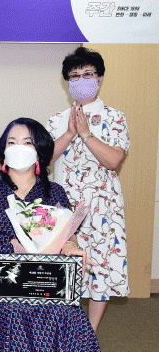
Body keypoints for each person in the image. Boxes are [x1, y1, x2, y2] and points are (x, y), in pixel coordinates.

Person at [0, 118, 100, 351]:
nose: (18, 147)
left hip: (44, 275)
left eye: (27, 142)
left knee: (65, 313)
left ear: (39, 151)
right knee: (13, 311)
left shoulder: (54, 192)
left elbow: (68, 233)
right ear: (3, 149)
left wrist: (69, 246)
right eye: (11, 142)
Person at [47, 47, 130, 333]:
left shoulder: (115, 117)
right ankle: (62, 332)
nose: (81, 80)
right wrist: (70, 132)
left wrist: (85, 134)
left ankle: (89, 336)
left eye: (88, 74)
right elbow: (44, 161)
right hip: (65, 207)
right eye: (74, 75)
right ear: (67, 82)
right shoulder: (57, 119)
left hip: (103, 207)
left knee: (100, 269)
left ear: (100, 78)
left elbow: (114, 160)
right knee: (64, 269)